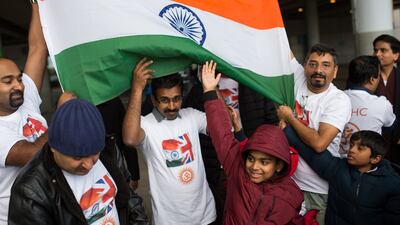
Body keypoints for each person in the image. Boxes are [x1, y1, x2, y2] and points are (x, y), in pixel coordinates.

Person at [201, 61, 304, 225]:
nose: (255, 167)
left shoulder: (289, 196)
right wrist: (209, 91)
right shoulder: (237, 168)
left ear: (279, 165)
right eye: (251, 159)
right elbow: (221, 133)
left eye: (264, 162)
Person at [122, 59, 216, 225]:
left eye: (176, 98)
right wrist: (137, 90)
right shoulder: (146, 124)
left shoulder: (192, 116)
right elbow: (129, 138)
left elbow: (224, 126)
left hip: (205, 216)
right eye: (165, 100)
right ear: (153, 100)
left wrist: (211, 88)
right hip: (169, 220)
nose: (172, 106)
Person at [8, 99, 131, 225]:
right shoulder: (30, 192)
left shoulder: (108, 150)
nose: (88, 165)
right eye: (77, 157)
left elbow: (130, 200)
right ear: (54, 147)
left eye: (94, 154)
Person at [277, 44, 352, 224]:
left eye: (326, 65)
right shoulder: (298, 77)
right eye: (313, 64)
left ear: (335, 71)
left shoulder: (338, 100)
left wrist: (290, 118)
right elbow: (279, 42)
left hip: (318, 191)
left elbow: (319, 143)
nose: (318, 70)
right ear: (304, 66)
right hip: (288, 183)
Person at [285, 126, 400, 225]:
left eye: (360, 148)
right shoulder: (338, 168)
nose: (351, 150)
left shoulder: (392, 183)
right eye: (352, 145)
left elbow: (393, 219)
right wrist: (287, 129)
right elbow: (311, 154)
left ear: (375, 159)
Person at [0, 3, 48, 224]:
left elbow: (38, 48)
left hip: (48, 210)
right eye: (7, 81)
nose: (18, 85)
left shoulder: (25, 97)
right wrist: (64, 119)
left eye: (18, 78)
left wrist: (37, 6)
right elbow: (31, 156)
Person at [340, 56, 395, 157]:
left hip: (335, 162)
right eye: (379, 75)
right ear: (372, 79)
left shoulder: (335, 98)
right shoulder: (382, 104)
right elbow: (389, 128)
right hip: (367, 164)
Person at [373, 34, 400, 165]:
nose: (377, 54)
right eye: (376, 50)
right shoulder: (366, 77)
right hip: (374, 140)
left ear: (396, 55)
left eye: (383, 50)